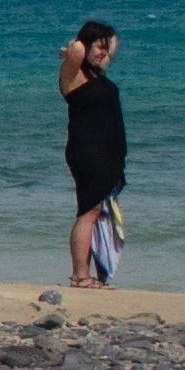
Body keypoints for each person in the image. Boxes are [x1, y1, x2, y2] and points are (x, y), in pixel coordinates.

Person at [56, 20, 127, 288]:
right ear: (85, 44)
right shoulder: (73, 74)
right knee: (89, 210)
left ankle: (92, 273)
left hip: (106, 152)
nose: (105, 53)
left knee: (98, 211)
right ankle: (80, 275)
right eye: (100, 47)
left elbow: (107, 48)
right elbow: (76, 49)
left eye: (107, 49)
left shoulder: (97, 75)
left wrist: (107, 43)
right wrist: (74, 50)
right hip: (87, 151)